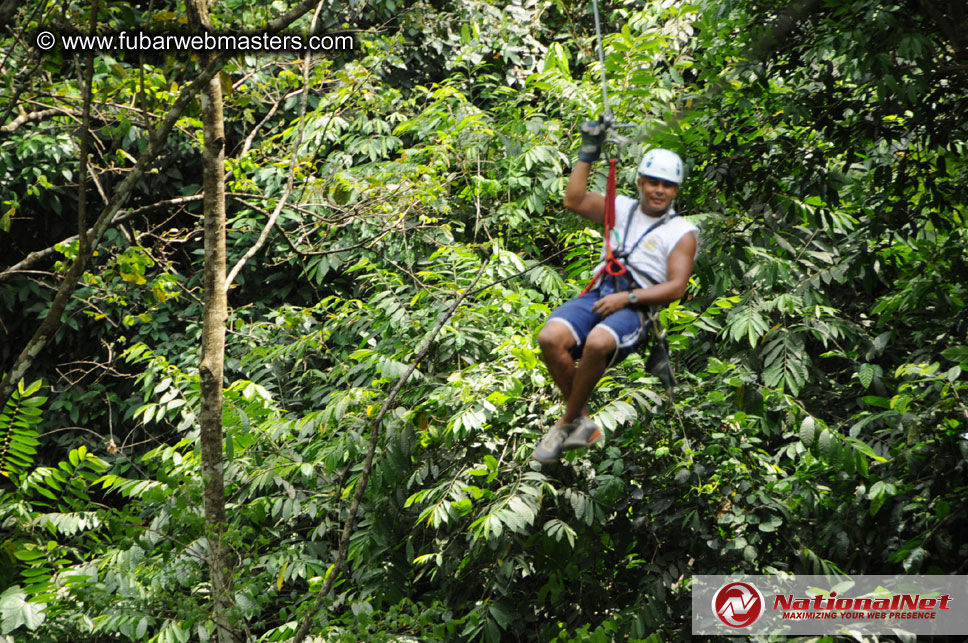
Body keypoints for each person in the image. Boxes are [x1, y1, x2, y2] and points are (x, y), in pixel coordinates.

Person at [532, 120, 698, 464]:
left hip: (637, 305)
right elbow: (573, 200)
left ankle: (566, 423)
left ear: (675, 191)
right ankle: (582, 421)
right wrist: (588, 151)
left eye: (667, 185)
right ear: (640, 183)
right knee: (549, 338)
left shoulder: (681, 231)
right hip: (601, 291)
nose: (659, 190)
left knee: (598, 342)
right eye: (653, 182)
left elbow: (676, 287)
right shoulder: (620, 208)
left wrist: (628, 298)